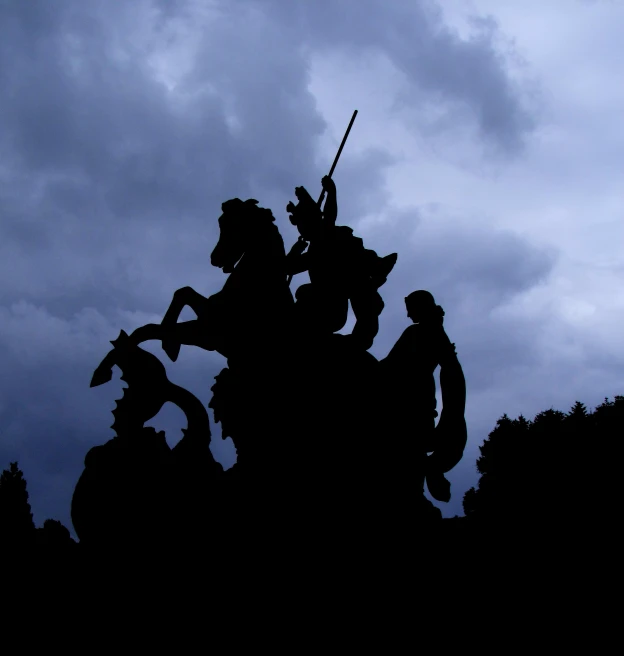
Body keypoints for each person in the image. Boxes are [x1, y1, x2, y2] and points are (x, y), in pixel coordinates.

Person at [285, 176, 396, 351]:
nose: (302, 230)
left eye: (304, 225)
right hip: (325, 308)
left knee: (308, 293)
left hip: (332, 307)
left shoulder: (325, 240)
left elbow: (329, 216)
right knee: (304, 295)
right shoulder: (314, 250)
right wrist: (295, 251)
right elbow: (288, 267)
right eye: (300, 226)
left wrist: (331, 193)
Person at [380, 290, 461, 509]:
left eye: (410, 309)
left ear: (419, 307)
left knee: (405, 447)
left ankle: (409, 495)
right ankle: (412, 493)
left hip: (408, 398)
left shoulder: (416, 333)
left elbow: (390, 365)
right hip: (422, 398)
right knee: (411, 449)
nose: (407, 315)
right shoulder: (437, 332)